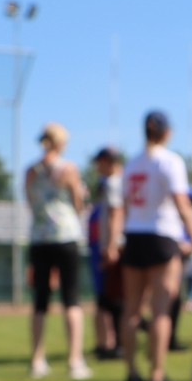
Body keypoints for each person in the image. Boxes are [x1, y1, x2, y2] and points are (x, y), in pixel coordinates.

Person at [113, 110, 192, 381]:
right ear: (165, 132)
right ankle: (157, 374)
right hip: (162, 237)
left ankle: (131, 372)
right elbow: (182, 206)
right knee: (161, 310)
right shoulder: (170, 161)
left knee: (131, 310)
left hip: (134, 237)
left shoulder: (132, 163)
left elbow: (125, 206)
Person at [25, 122, 91, 380]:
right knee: (71, 299)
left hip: (40, 237)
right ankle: (74, 360)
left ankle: (37, 360)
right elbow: (78, 204)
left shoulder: (30, 170)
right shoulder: (68, 168)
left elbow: (30, 202)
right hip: (65, 237)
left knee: (40, 302)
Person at [87, 146, 125, 360]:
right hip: (104, 245)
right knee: (108, 298)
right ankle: (109, 343)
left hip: (109, 247)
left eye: (100, 162)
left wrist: (110, 246)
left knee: (109, 298)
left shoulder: (113, 183)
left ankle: (112, 344)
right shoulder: (109, 184)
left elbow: (114, 215)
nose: (97, 167)